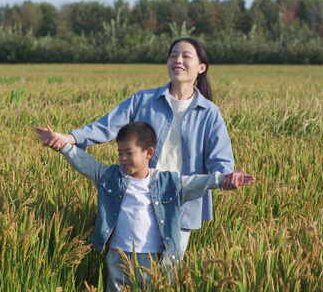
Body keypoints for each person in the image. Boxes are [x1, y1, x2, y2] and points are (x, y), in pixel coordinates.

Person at [37, 38, 235, 256]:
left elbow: (221, 157)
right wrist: (70, 139)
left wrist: (227, 178)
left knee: (166, 272)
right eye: (173, 55)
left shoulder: (209, 113)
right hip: (139, 194)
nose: (178, 60)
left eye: (186, 56)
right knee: (126, 262)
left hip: (181, 200)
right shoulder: (144, 99)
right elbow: (107, 126)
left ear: (201, 67)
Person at [35, 122, 254, 292]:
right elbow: (86, 163)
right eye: (119, 152)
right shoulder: (110, 177)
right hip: (118, 255)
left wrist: (223, 180)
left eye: (128, 153)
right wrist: (63, 145)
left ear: (148, 153)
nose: (122, 158)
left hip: (154, 259)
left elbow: (199, 182)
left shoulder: (168, 182)